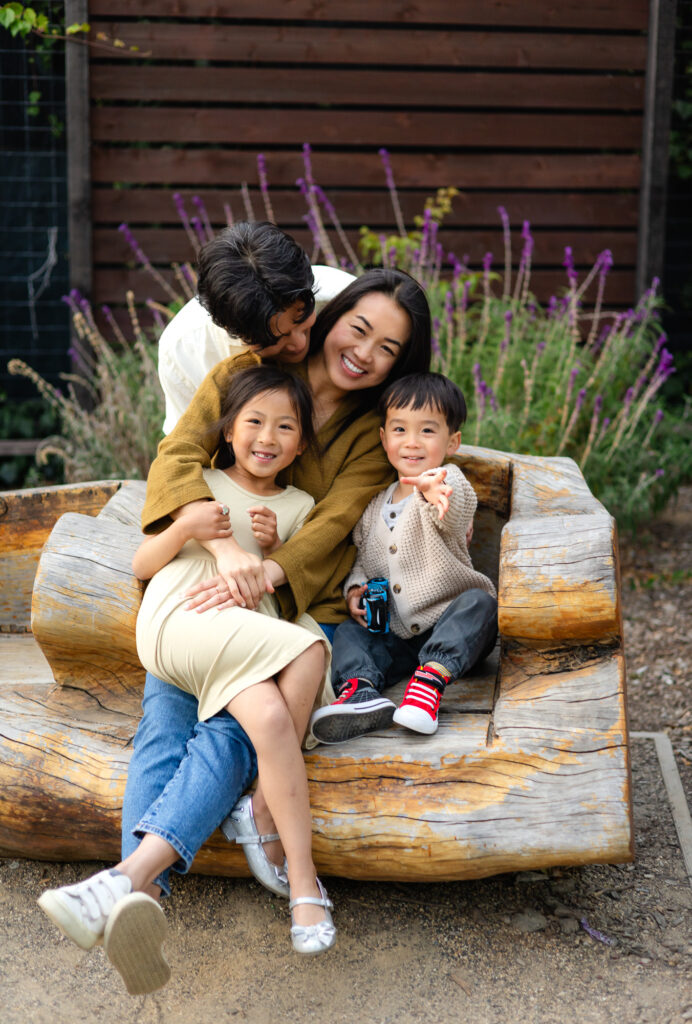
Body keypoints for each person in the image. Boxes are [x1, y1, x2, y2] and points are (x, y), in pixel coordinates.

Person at [37, 268, 432, 995]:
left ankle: (130, 884)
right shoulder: (250, 371)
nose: (364, 352)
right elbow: (178, 457)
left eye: (388, 347)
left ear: (402, 361)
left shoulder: (372, 430)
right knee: (166, 722)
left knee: (229, 727)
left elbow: (337, 520)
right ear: (334, 316)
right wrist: (219, 547)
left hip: (281, 597)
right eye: (359, 328)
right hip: (201, 582)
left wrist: (270, 573)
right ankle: (139, 898)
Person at [310, 373, 498, 744]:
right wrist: (354, 593)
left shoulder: (449, 481)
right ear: (384, 438)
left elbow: (457, 508)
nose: (412, 442)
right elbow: (363, 561)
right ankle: (361, 690)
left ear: (452, 441)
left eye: (427, 431)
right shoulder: (375, 504)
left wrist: (432, 489)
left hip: (450, 628)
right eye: (400, 430)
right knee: (349, 633)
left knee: (481, 604)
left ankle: (429, 682)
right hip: (396, 637)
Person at [158, 221, 355, 433]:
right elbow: (188, 449)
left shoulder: (347, 297)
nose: (299, 343)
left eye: (302, 317)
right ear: (229, 328)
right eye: (273, 339)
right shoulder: (183, 351)